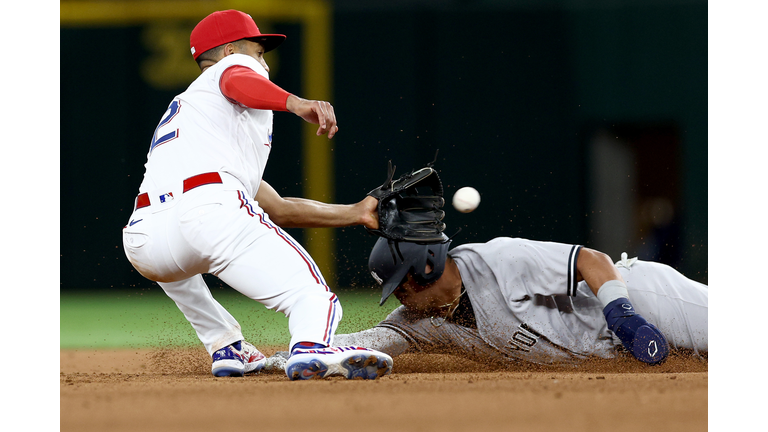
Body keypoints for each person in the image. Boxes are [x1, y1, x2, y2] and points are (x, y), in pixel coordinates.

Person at [121, 9, 392, 380]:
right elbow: (236, 78)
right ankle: (313, 347)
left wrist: (357, 212)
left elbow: (277, 207)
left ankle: (226, 346)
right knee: (309, 294)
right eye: (258, 51)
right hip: (207, 211)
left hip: (145, 240)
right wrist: (296, 103)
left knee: (184, 273)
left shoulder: (197, 119)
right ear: (230, 49)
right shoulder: (227, 72)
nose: (262, 59)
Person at [317, 236, 708, 368]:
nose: (401, 301)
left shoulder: (502, 259)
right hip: (614, 353)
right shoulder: (419, 320)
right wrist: (301, 353)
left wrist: (623, 315)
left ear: (429, 266)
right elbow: (376, 339)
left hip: (639, 298)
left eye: (403, 288)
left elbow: (592, 260)